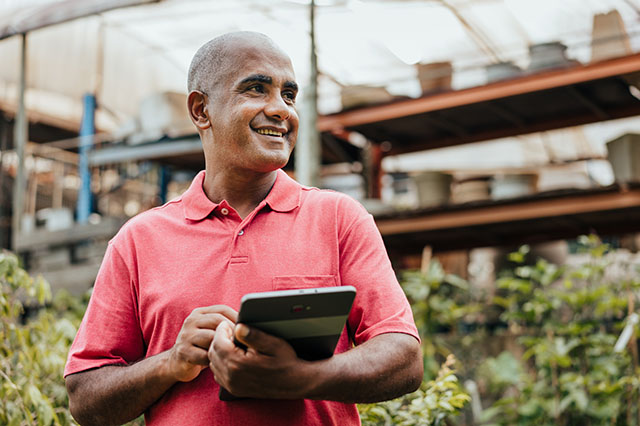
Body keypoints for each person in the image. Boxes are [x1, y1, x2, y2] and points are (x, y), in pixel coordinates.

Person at [64, 31, 422, 426]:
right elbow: (85, 399)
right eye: (256, 89)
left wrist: (300, 378)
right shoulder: (138, 240)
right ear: (201, 110)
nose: (282, 110)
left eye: (289, 95)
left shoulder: (338, 218)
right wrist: (171, 362)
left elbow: (403, 357)